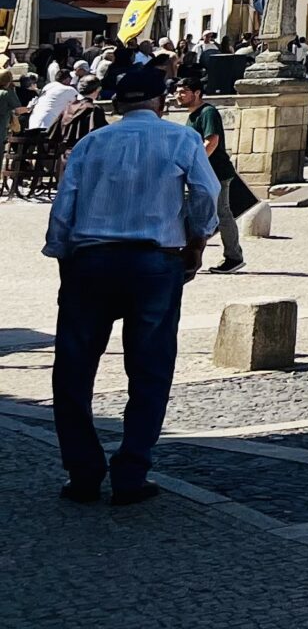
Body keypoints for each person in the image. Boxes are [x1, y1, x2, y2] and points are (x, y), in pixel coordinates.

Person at [45, 64, 217, 505]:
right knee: (150, 370)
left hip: (91, 261)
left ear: (118, 104)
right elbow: (204, 192)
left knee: (73, 369)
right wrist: (197, 241)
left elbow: (65, 203)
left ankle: (83, 473)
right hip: (154, 262)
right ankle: (131, 472)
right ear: (160, 102)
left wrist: (64, 254)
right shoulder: (181, 139)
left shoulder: (92, 143)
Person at [172, 73, 246, 273]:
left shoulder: (208, 112)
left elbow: (211, 141)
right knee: (196, 212)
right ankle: (187, 253)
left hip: (215, 172)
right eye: (177, 92)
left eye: (183, 92)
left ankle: (233, 257)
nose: (178, 96)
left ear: (197, 93)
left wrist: (196, 164)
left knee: (222, 213)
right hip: (204, 173)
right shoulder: (193, 114)